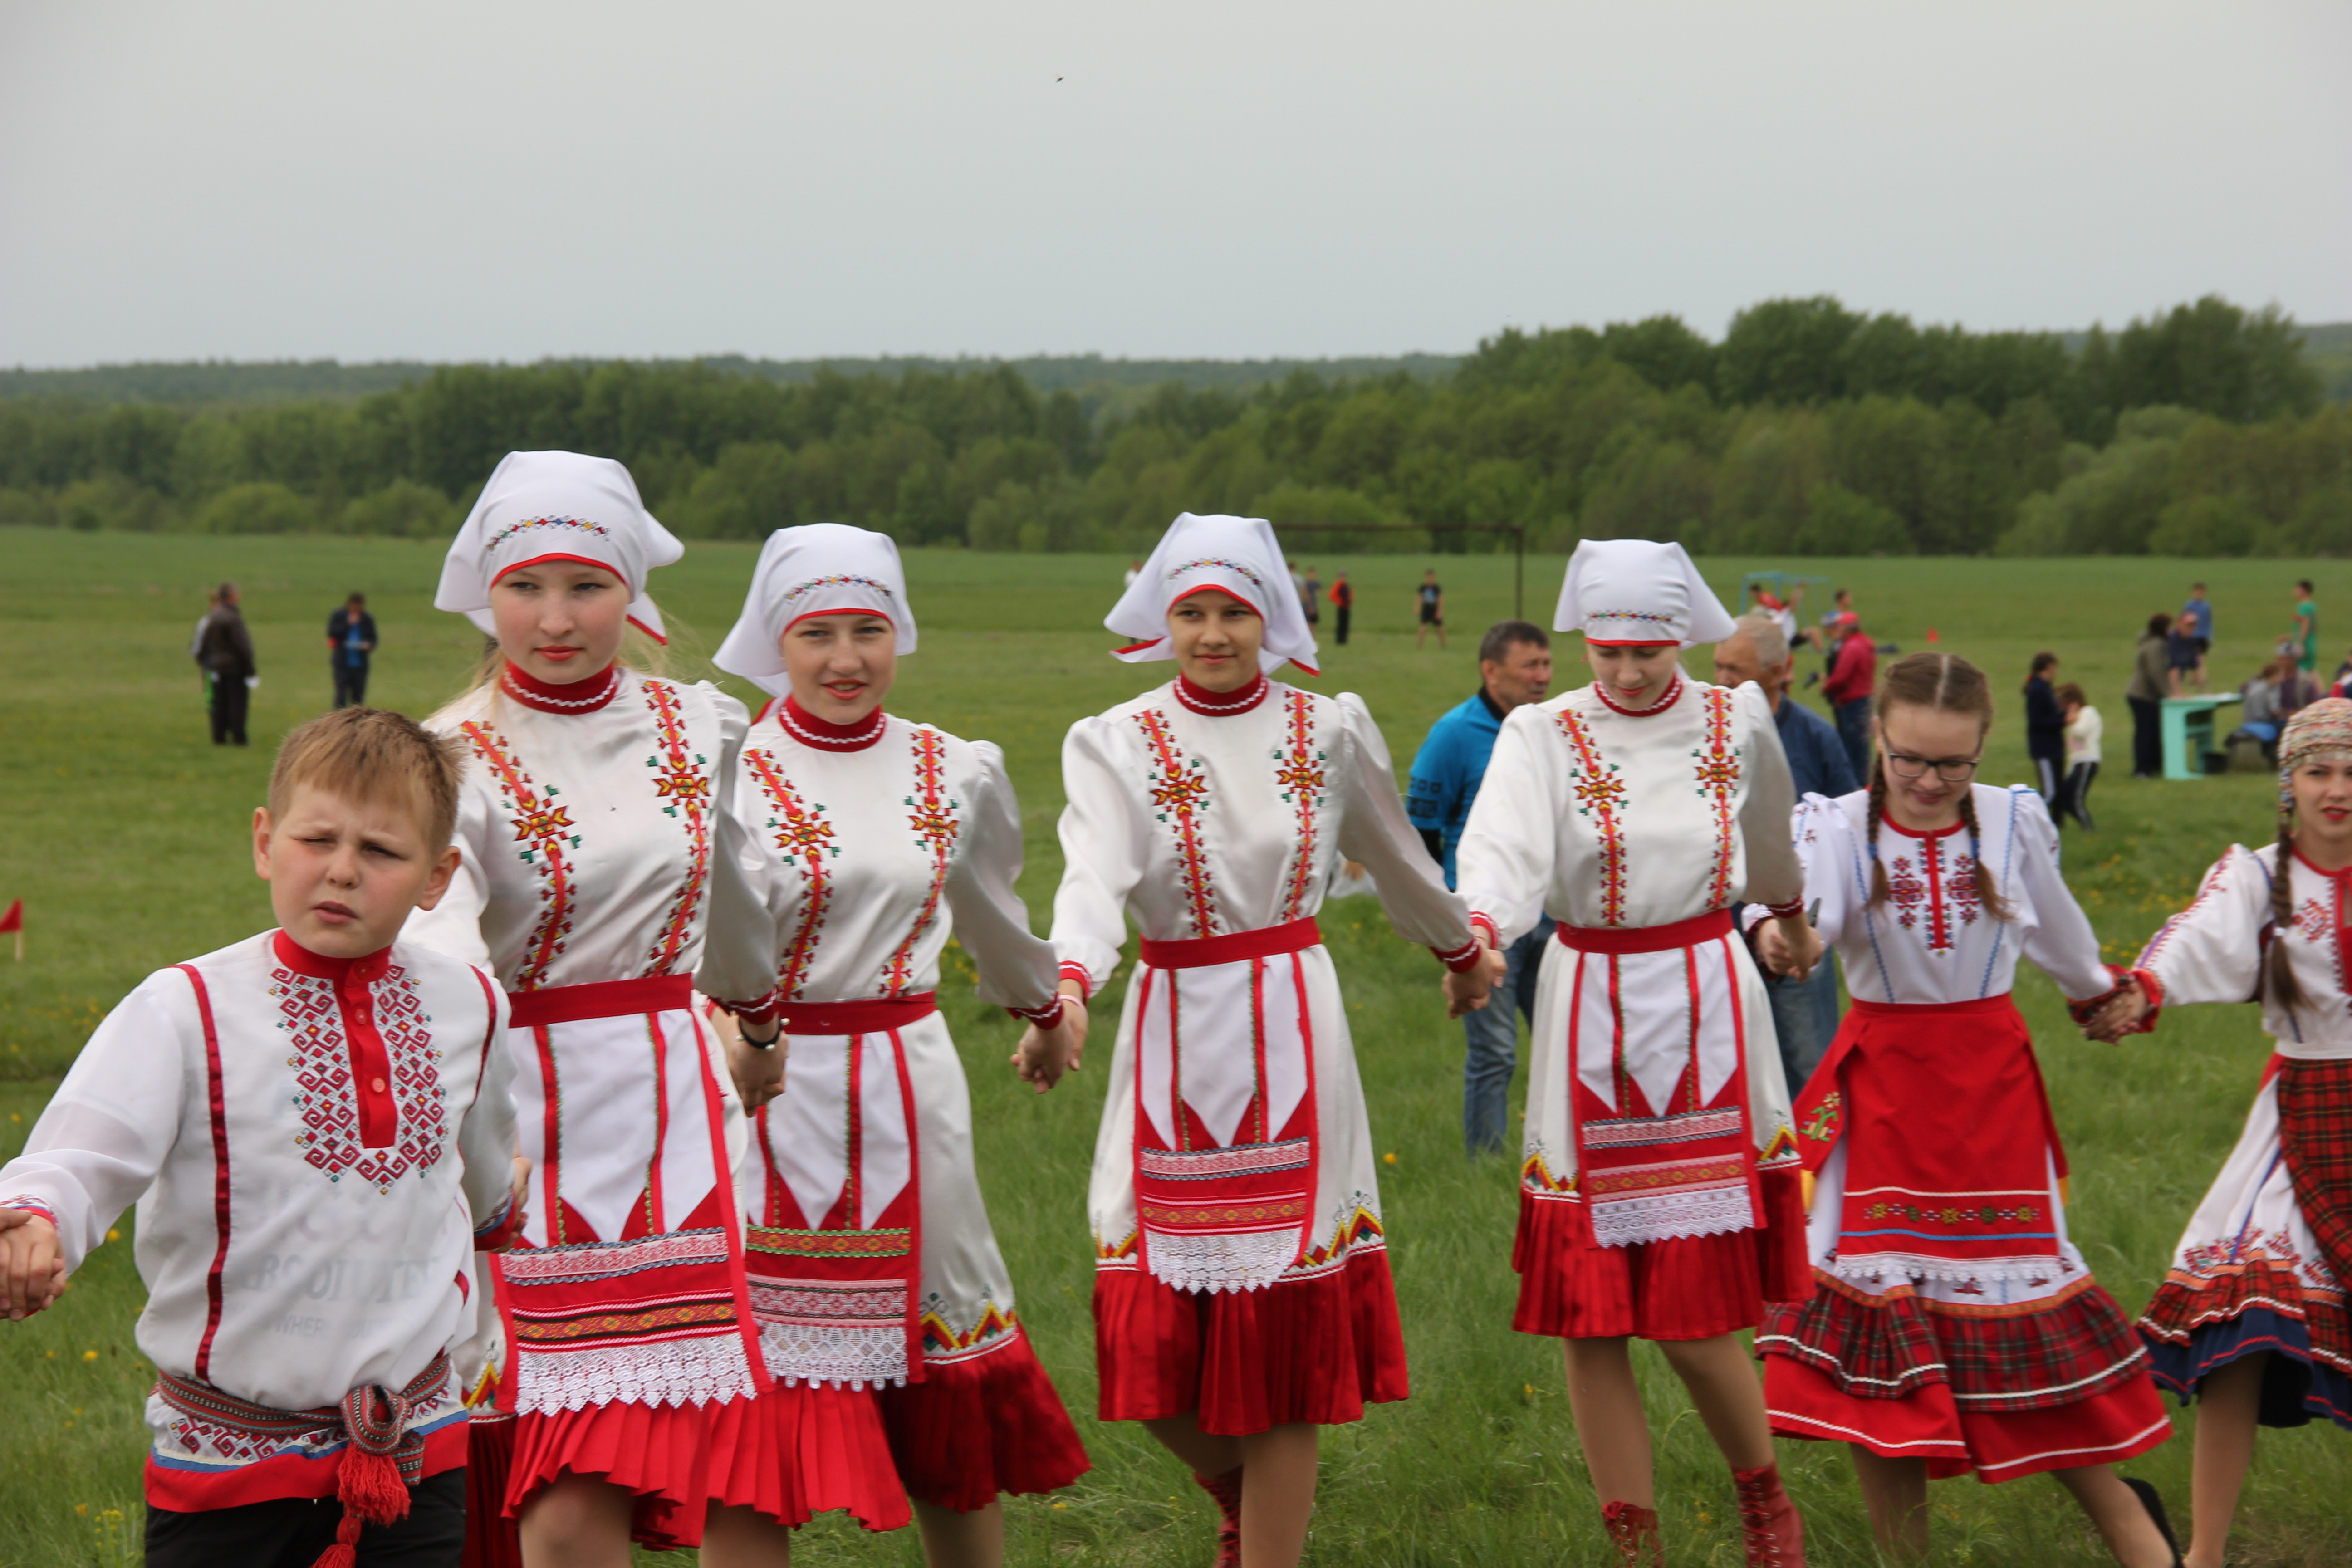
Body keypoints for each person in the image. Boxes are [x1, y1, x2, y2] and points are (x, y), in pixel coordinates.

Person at [1025, 512, 1489, 1568]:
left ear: (1270, 615)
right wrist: (1070, 983)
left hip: (1291, 1019)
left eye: (1234, 610)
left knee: (1283, 1321)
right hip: (1170, 1027)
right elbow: (1090, 877)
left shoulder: (1324, 729)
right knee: (1138, 1315)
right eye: (1191, 610)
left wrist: (1462, 949)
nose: (1213, 632)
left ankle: (1264, 1542)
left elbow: (1398, 857)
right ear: (1164, 618)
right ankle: (1247, 1502)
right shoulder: (1116, 740)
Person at [0, 707, 526, 1568]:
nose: (342, 872)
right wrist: (37, 1217)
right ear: (263, 841)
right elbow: (82, 1153)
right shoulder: (186, 1007)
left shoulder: (472, 1003)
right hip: (230, 1471)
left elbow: (480, 1172)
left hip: (414, 1453)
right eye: (316, 839)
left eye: (382, 852)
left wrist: (504, 1198)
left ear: (437, 878)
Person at [402, 450, 792, 1566]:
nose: (555, 618)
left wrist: (758, 1026)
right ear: (486, 590)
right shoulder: (451, 752)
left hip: (677, 1107)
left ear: (633, 590)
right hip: (525, 1126)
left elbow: (732, 890)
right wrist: (462, 1126)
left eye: (587, 586)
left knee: (728, 1463)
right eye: (525, 586)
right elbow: (438, 948)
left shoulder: (699, 722)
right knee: (570, 1472)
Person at [708, 524, 1091, 1558]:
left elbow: (992, 916)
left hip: (908, 1094)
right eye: (817, 631)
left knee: (942, 1386)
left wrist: (1048, 1010)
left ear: (899, 632)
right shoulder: (724, 770)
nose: (845, 657)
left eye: (868, 628)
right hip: (757, 1090)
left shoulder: (950, 768)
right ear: (774, 641)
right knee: (755, 1416)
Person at [1750, 654, 2176, 1567]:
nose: (1932, 782)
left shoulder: (2016, 819)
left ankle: (2141, 1540)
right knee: (1881, 1346)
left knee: (2033, 1338)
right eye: (1911, 760)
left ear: (1984, 749)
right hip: (1884, 1102)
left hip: (1993, 1099)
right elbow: (1800, 920)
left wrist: (2108, 995)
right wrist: (1782, 937)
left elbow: (2059, 933)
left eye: (1954, 764)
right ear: (1880, 737)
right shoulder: (1834, 825)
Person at [1455, 538, 1818, 1567]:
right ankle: (1633, 1540)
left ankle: (1763, 1504)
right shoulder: (1541, 731)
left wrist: (1787, 918)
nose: (1624, 671)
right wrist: (1478, 932)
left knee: (1694, 1305)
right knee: (1591, 1313)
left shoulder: (1731, 717)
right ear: (1581, 639)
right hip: (1586, 1003)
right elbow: (1501, 844)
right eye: (1607, 650)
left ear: (1682, 639)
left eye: (1647, 651)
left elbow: (1770, 835)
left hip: (1703, 998)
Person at [2095, 697, 2352, 1568]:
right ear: (2286, 784)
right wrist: (2141, 989)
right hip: (2298, 1121)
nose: (2335, 789)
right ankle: (2202, 1556)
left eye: (2349, 772)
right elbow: (2191, 934)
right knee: (2243, 1322)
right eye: (2317, 771)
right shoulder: (2256, 877)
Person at [1405, 619, 1557, 1156]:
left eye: (1546, 664)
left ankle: (1560, 1153)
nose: (1543, 677)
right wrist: (1439, 913)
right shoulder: (1454, 734)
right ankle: (1486, 1162)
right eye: (1529, 666)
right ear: (1491, 672)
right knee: (1496, 1052)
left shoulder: (1550, 729)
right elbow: (1419, 829)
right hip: (1483, 923)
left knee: (1563, 1048)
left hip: (1553, 919)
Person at [1715, 611, 1858, 1094]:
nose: (1722, 680)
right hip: (1719, 933)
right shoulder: (1703, 735)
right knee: (1729, 1076)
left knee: (1810, 1068)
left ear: (1778, 672)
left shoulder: (1816, 738)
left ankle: (1819, 1168)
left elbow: (1848, 828)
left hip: (1797, 932)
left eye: (1734, 669)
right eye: (1717, 666)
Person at [197, 580, 257, 746]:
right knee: (237, 704)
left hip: (216, 667)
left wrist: (206, 664)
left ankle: (219, 737)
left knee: (220, 704)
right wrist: (250, 668)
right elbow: (242, 646)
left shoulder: (212, 616)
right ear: (232, 596)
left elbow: (203, 645)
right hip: (234, 668)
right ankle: (239, 738)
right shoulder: (233, 618)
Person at [1822, 608, 1877, 786]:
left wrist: (1827, 688)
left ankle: (1853, 786)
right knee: (1862, 748)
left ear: (1846, 629)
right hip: (1866, 699)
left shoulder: (1851, 647)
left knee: (1851, 748)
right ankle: (1864, 783)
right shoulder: (1867, 644)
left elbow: (1840, 677)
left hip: (1852, 702)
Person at [2128, 614, 2173, 779]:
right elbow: (2156, 673)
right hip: (2143, 696)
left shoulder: (2152, 643)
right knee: (2146, 733)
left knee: (2152, 732)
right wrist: (2168, 694)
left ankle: (2153, 766)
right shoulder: (2156, 646)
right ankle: (2142, 769)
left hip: (2143, 695)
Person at [2055, 681, 2103, 830]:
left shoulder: (2088, 712)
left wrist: (2072, 720)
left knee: (2076, 799)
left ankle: (2089, 828)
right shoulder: (2077, 717)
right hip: (2078, 762)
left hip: (2088, 760)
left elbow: (2082, 732)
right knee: (2066, 797)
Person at [327, 591, 379, 709]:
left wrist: (368, 646)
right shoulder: (339, 616)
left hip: (360, 665)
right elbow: (333, 633)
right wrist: (348, 624)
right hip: (342, 664)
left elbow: (373, 639)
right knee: (341, 696)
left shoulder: (367, 619)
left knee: (358, 699)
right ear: (350, 605)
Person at [2184, 583, 2215, 688]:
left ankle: (2199, 679)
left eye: (2201, 592)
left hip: (2203, 636)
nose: (2199, 594)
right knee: (2196, 659)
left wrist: (2210, 636)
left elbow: (2209, 622)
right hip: (2193, 636)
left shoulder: (2207, 606)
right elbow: (2184, 620)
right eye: (2197, 592)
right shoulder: (2190, 606)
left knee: (2200, 659)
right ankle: (2197, 679)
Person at [2167, 612, 2204, 697]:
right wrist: (2177, 692)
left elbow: (2196, 667)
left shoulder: (2192, 642)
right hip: (2159, 685)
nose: (2191, 628)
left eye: (2193, 626)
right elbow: (2173, 669)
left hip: (2173, 684)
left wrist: (2204, 691)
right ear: (2179, 624)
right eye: (2188, 625)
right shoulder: (2171, 640)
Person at [2291, 579, 2318, 676]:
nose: (2295, 591)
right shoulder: (2312, 605)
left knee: (2301, 671)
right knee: (2311, 671)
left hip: (2305, 643)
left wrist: (2300, 643)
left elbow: (2305, 624)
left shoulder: (2304, 607)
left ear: (2304, 590)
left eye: (2297, 589)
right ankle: (2320, 691)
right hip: (2311, 642)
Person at [1416, 568, 1446, 649]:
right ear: (1426, 577)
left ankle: (1443, 645)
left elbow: (1440, 600)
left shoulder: (1436, 588)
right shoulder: (1423, 588)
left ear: (1434, 578)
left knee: (1440, 629)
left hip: (1434, 610)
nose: (1430, 579)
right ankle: (1419, 645)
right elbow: (1420, 598)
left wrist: (1439, 612)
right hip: (1426, 609)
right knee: (1423, 628)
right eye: (1428, 577)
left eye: (1431, 577)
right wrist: (1417, 608)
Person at [1329, 571, 1353, 646]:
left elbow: (1350, 595)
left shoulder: (1346, 585)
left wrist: (1350, 600)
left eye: (1344, 577)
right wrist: (1340, 602)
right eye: (1342, 577)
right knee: (1341, 624)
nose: (1343, 578)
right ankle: (1340, 640)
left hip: (1347, 607)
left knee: (1346, 624)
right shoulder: (1338, 585)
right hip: (1341, 607)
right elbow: (1332, 595)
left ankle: (1344, 640)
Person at [1302, 564, 1321, 628]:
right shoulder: (1306, 584)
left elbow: (1318, 594)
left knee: (1313, 625)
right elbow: (1304, 596)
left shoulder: (1317, 584)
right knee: (1307, 625)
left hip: (1314, 607)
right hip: (1307, 608)